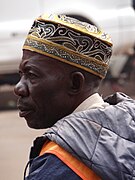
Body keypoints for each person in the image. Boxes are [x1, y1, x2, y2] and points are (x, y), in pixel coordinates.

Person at [14, 14, 135, 180]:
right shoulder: (125, 126)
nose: (19, 88)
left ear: (75, 83)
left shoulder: (60, 163)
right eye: (21, 75)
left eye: (32, 75)